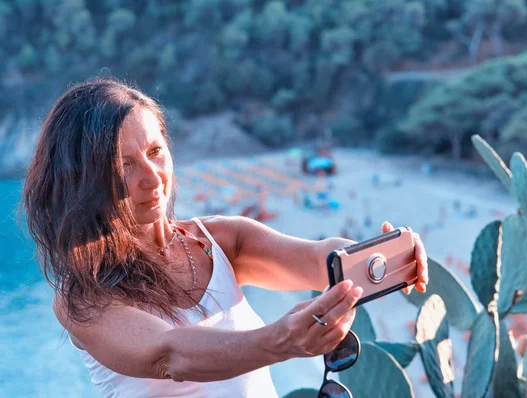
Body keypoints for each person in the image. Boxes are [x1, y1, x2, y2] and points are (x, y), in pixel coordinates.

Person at [22, 78, 429, 397]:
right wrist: (282, 340)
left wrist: (386, 256)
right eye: (124, 165)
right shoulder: (83, 298)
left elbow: (319, 259)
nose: (152, 178)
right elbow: (171, 354)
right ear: (83, 180)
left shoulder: (221, 240)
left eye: (155, 151)